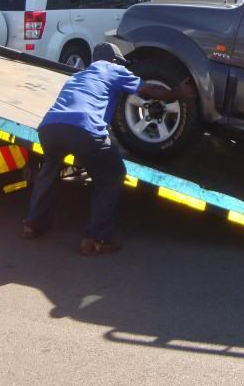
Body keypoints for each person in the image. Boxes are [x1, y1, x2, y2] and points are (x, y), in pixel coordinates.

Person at [23, 42, 195, 256]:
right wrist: (179, 93)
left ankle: (33, 225)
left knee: (49, 170)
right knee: (112, 176)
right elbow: (151, 90)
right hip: (84, 129)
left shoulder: (78, 75)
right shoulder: (114, 69)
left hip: (50, 127)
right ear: (114, 60)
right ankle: (96, 239)